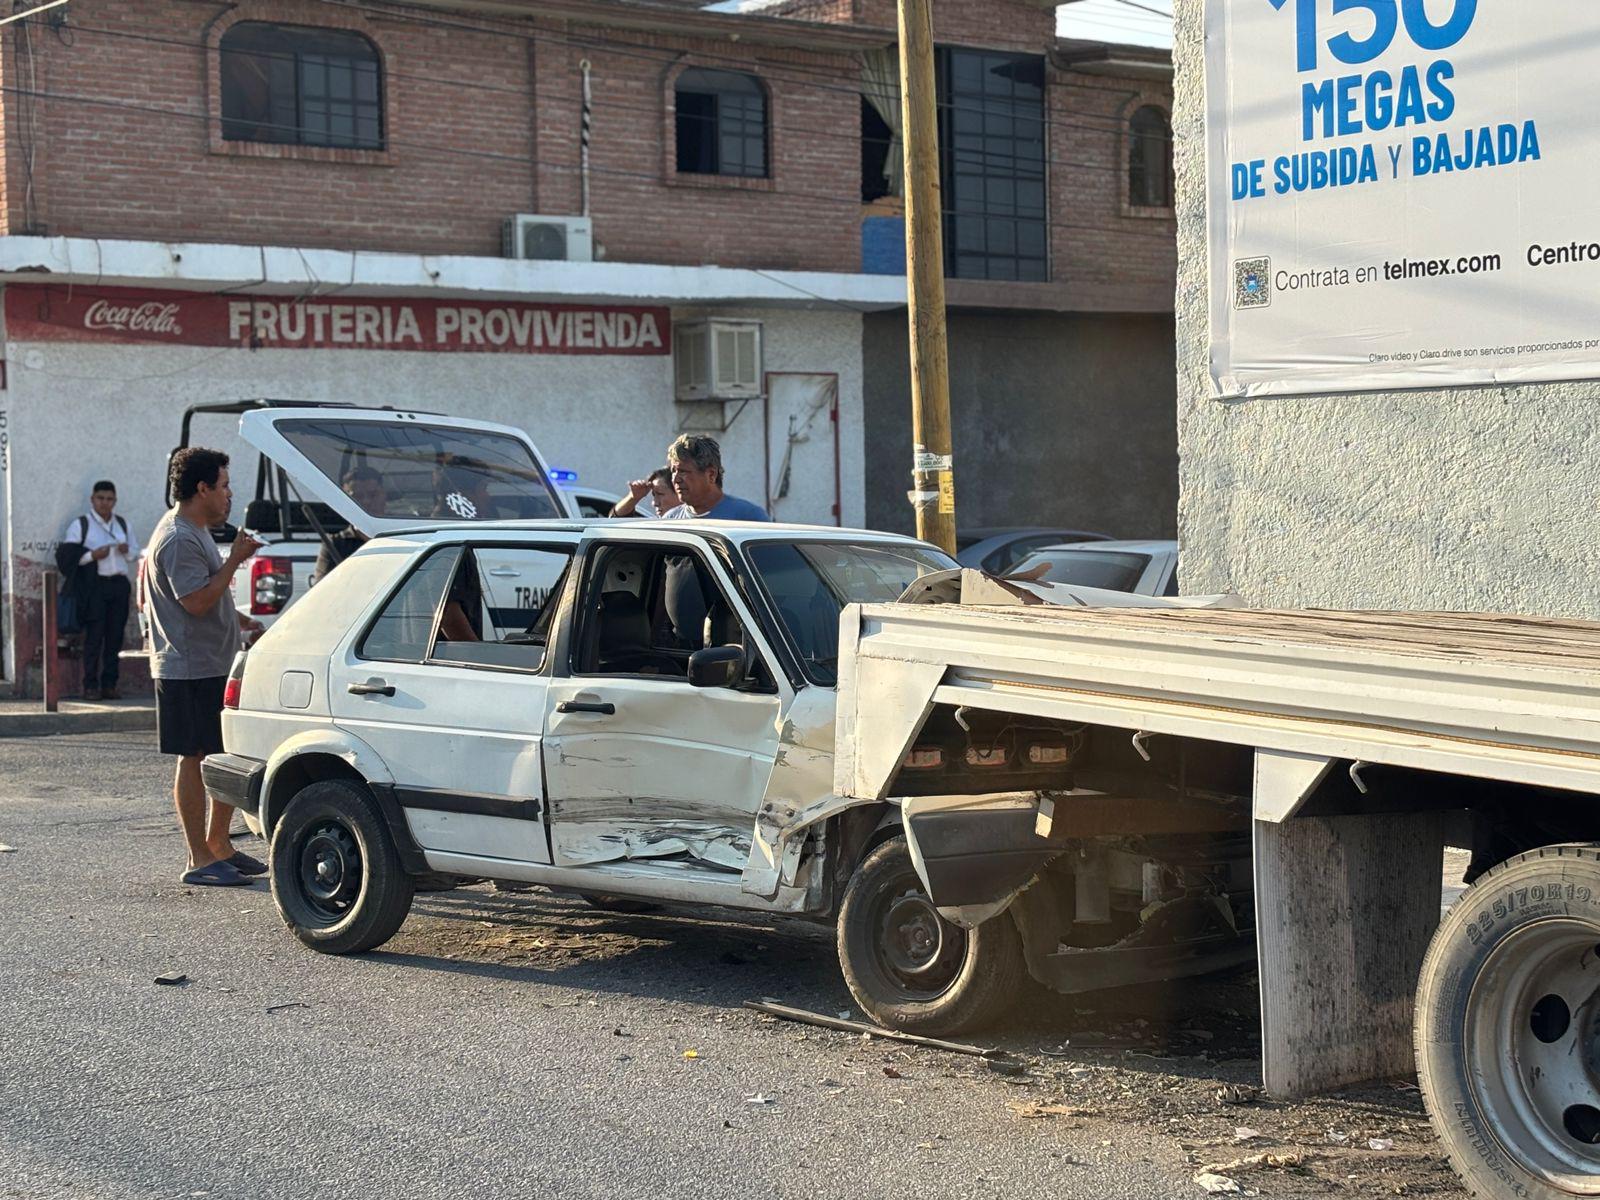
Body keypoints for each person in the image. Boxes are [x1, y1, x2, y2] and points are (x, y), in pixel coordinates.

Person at [145, 448, 266, 888]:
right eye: (224, 485)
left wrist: (240, 621)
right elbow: (195, 602)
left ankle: (220, 844)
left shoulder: (194, 530)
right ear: (202, 489)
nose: (230, 494)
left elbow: (204, 595)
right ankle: (199, 858)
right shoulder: (178, 537)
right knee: (194, 758)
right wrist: (235, 560)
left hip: (210, 663)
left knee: (220, 754)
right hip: (189, 668)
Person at [65, 480, 140, 700]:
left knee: (115, 637)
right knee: (94, 637)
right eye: (100, 498)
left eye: (109, 499)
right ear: (92, 499)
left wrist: (126, 551)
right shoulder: (81, 525)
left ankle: (110, 684)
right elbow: (68, 556)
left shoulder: (122, 524)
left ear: (115, 501)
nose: (105, 503)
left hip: (119, 585)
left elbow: (135, 554)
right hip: (95, 586)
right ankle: (90, 685)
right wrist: (92, 555)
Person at [662, 435, 770, 521]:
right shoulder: (670, 520)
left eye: (683, 472)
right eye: (673, 471)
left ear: (711, 474)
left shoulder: (749, 517)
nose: (676, 479)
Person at [312, 465, 386, 585]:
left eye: (373, 495)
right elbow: (320, 590)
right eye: (358, 496)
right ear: (346, 501)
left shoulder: (406, 536)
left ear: (384, 496)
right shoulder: (334, 545)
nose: (366, 501)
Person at [610, 467, 676, 518]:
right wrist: (633, 498)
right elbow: (616, 521)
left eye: (660, 494)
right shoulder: (655, 526)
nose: (654, 503)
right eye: (654, 495)